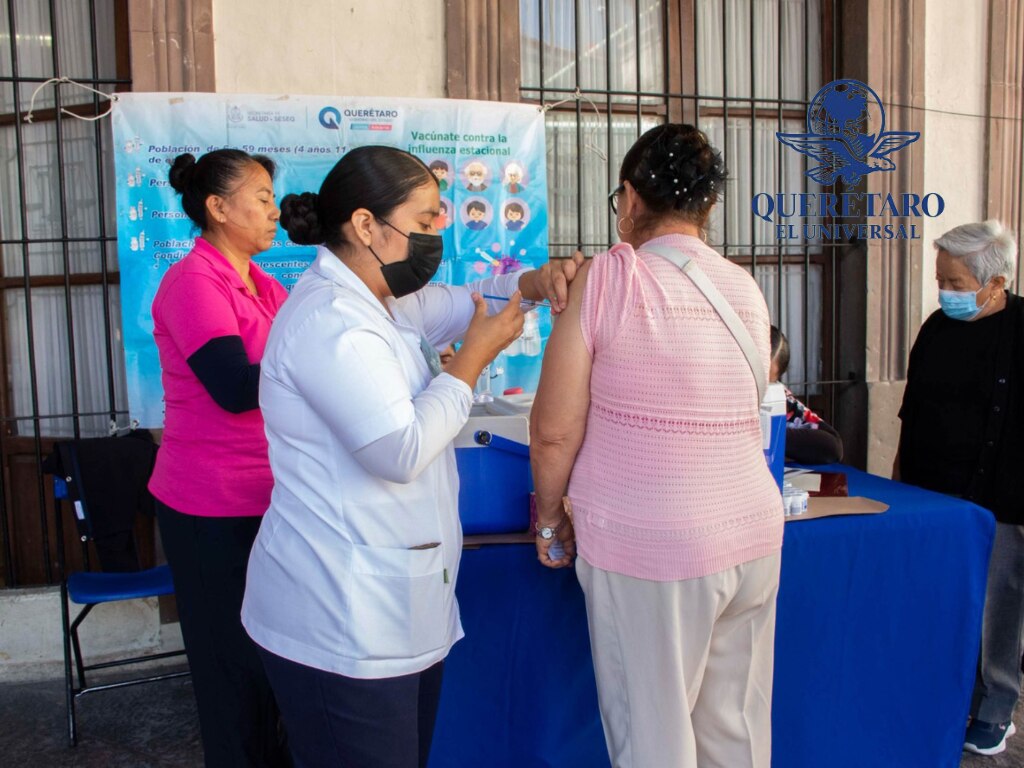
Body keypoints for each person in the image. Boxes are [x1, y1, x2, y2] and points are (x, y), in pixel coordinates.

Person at [240, 145, 583, 768]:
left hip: (390, 609)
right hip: (339, 619)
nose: (437, 235)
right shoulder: (331, 321)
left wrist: (533, 284)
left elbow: (473, 296)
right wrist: (472, 362)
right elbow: (399, 451)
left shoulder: (385, 304)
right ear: (366, 225)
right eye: (424, 223)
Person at [531, 123, 783, 768]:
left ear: (630, 199)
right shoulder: (743, 287)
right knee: (737, 728)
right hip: (752, 531)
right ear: (709, 206)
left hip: (653, 544)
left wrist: (552, 516)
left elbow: (555, 428)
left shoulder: (613, 279)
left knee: (654, 738)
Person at [148, 149, 289, 767]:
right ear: (218, 207)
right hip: (210, 507)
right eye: (261, 197)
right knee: (229, 669)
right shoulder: (192, 282)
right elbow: (234, 386)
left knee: (275, 661)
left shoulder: (266, 284)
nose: (274, 210)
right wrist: (320, 368)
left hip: (273, 498)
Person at [895, 220, 1023, 757]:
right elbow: (913, 408)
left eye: (954, 282)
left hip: (1003, 495)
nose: (944, 292)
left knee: (998, 607)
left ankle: (995, 708)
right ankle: (946, 697)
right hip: (935, 495)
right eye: (941, 280)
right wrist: (900, 476)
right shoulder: (936, 328)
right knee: (944, 600)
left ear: (994, 284)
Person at [769, 325, 844, 464]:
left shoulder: (775, 398)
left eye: (766, 383)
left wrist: (768, 433)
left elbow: (833, 447)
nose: (756, 388)